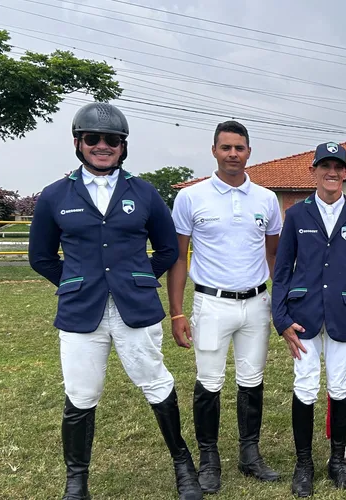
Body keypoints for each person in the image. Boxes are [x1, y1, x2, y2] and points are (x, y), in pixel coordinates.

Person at [28, 102, 202, 500]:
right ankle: (76, 481)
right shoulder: (55, 195)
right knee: (81, 394)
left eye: (112, 140)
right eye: (93, 138)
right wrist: (75, 282)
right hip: (81, 312)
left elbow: (167, 250)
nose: (102, 146)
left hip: (134, 309)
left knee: (156, 383)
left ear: (123, 147)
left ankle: (183, 466)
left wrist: (138, 280)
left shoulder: (144, 192)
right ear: (78, 142)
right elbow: (40, 257)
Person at [167, 121, 283, 493]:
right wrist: (177, 312)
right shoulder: (191, 197)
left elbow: (274, 255)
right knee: (209, 382)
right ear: (214, 150)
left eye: (239, 147)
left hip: (256, 303)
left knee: (252, 380)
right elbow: (178, 257)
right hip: (211, 304)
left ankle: (250, 454)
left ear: (249, 152)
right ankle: (209, 459)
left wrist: (282, 303)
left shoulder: (266, 199)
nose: (233, 154)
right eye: (226, 147)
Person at [271, 141, 346, 497]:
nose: (331, 172)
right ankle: (304, 464)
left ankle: (336, 461)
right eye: (324, 166)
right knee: (305, 386)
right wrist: (281, 318)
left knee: (339, 387)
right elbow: (282, 270)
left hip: (343, 317)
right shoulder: (297, 215)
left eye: (337, 167)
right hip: (304, 316)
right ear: (313, 171)